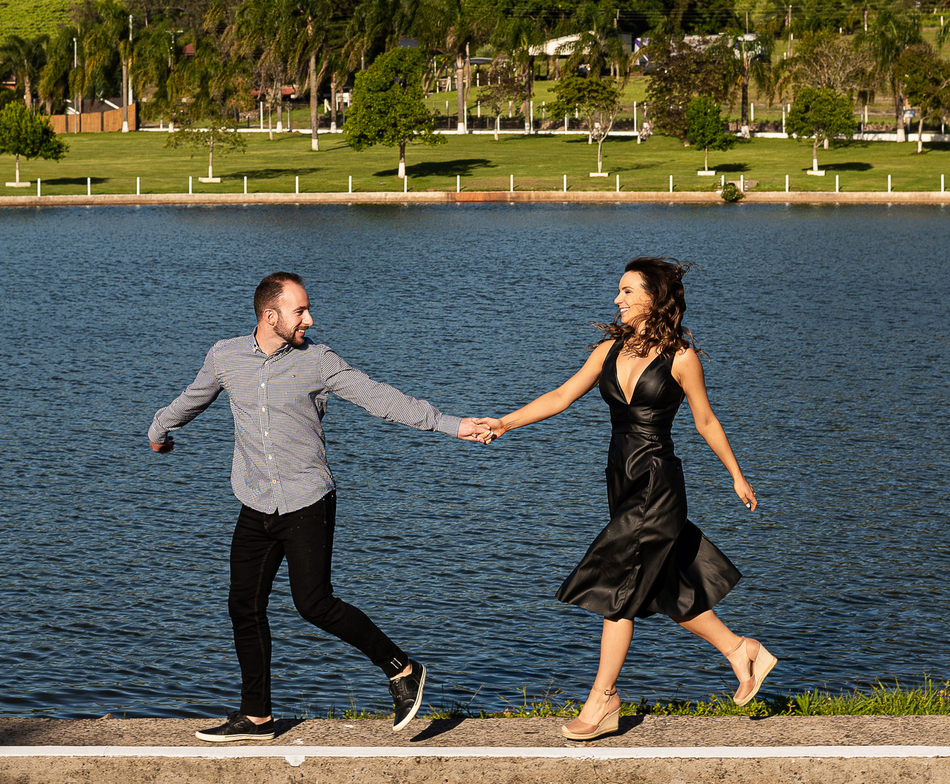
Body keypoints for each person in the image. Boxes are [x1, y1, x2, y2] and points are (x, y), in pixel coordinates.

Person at [148, 272, 488, 741]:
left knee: (314, 604)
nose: (310, 318)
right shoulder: (225, 356)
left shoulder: (318, 361)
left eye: (307, 309)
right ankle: (257, 716)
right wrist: (159, 429)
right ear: (271, 316)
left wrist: (452, 426)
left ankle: (402, 668)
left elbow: (382, 398)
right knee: (243, 606)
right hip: (254, 501)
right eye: (300, 311)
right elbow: (194, 398)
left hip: (307, 500)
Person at [477, 257, 775, 741]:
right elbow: (561, 395)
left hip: (659, 482)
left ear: (654, 298)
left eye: (627, 291)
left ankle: (603, 699)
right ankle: (742, 651)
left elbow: (705, 420)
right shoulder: (608, 349)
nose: (617, 299)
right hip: (622, 477)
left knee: (618, 587)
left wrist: (736, 476)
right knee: (661, 587)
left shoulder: (681, 358)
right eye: (618, 291)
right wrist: (505, 423)